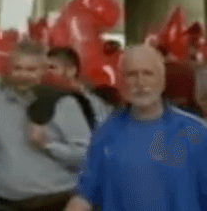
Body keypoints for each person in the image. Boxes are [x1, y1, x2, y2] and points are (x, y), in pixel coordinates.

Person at [64, 45, 207, 211]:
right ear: (122, 81)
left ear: (162, 80)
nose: (140, 83)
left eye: (148, 73)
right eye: (132, 74)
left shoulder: (195, 132)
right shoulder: (105, 132)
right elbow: (85, 194)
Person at [0, 40, 90, 211]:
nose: (23, 75)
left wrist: (48, 145)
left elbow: (86, 157)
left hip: (57, 201)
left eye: (31, 69)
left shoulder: (64, 103)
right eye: (18, 68)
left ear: (43, 71)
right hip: (8, 203)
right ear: (8, 69)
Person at [45, 47, 112, 124]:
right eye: (44, 68)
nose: (47, 73)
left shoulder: (92, 102)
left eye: (52, 67)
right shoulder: (44, 98)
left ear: (71, 70)